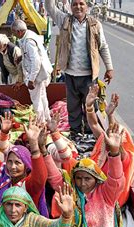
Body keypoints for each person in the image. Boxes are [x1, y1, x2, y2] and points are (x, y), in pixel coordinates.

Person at [45, 124, 126, 227]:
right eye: (78, 178)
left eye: (87, 179)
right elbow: (54, 178)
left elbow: (116, 179)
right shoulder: (71, 190)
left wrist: (114, 152)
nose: (82, 183)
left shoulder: (106, 193)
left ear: (96, 179)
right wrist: (41, 150)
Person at [46, 0, 114, 137]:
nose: (78, 7)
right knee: (73, 107)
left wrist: (109, 68)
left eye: (81, 4)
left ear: (87, 7)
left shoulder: (95, 24)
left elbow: (103, 47)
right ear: (71, 7)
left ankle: (90, 134)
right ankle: (76, 134)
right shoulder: (64, 20)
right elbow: (50, 7)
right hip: (70, 75)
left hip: (89, 76)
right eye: (75, 4)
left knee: (90, 107)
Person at [12, 19, 53, 122]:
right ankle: (47, 119)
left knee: (36, 100)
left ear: (19, 32)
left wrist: (31, 79)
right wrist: (22, 57)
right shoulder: (29, 35)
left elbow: (36, 61)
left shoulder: (29, 41)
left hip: (37, 74)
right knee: (42, 97)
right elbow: (30, 55)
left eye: (14, 32)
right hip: (39, 73)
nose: (14, 35)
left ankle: (41, 123)